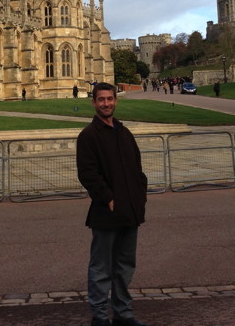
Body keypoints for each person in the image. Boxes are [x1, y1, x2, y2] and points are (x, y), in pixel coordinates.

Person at [76, 82, 148, 326]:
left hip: (130, 211)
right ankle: (99, 317)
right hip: (106, 213)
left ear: (116, 100)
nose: (106, 103)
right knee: (101, 268)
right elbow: (87, 174)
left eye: (110, 99)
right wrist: (108, 198)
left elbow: (137, 170)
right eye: (101, 99)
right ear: (94, 102)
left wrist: (140, 197)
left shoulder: (123, 132)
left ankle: (123, 314)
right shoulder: (88, 136)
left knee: (125, 266)